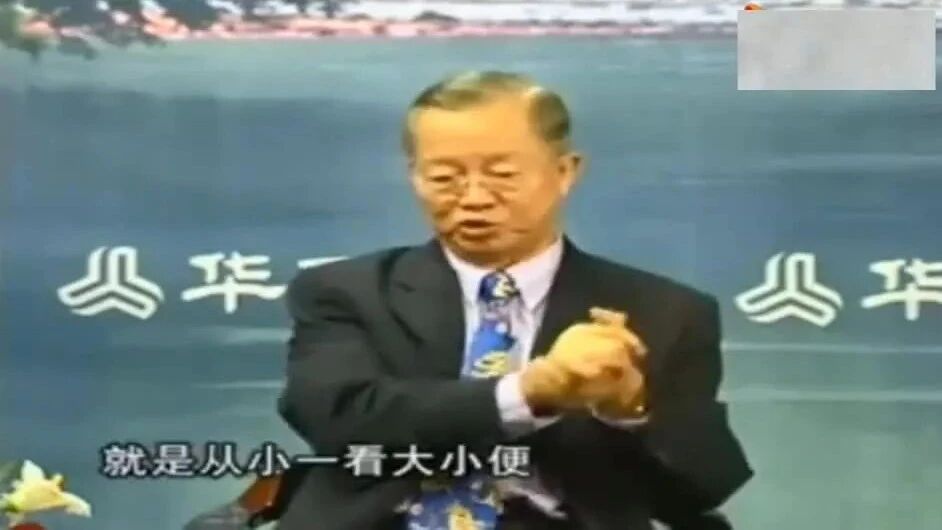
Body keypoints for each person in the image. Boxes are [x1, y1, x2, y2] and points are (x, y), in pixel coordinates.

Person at [276, 71, 753, 530]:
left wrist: (629, 409)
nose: (474, 198)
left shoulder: (665, 312)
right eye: (444, 178)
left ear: (565, 172)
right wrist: (529, 393)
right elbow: (337, 420)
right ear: (414, 176)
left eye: (502, 174)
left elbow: (703, 488)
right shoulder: (346, 291)